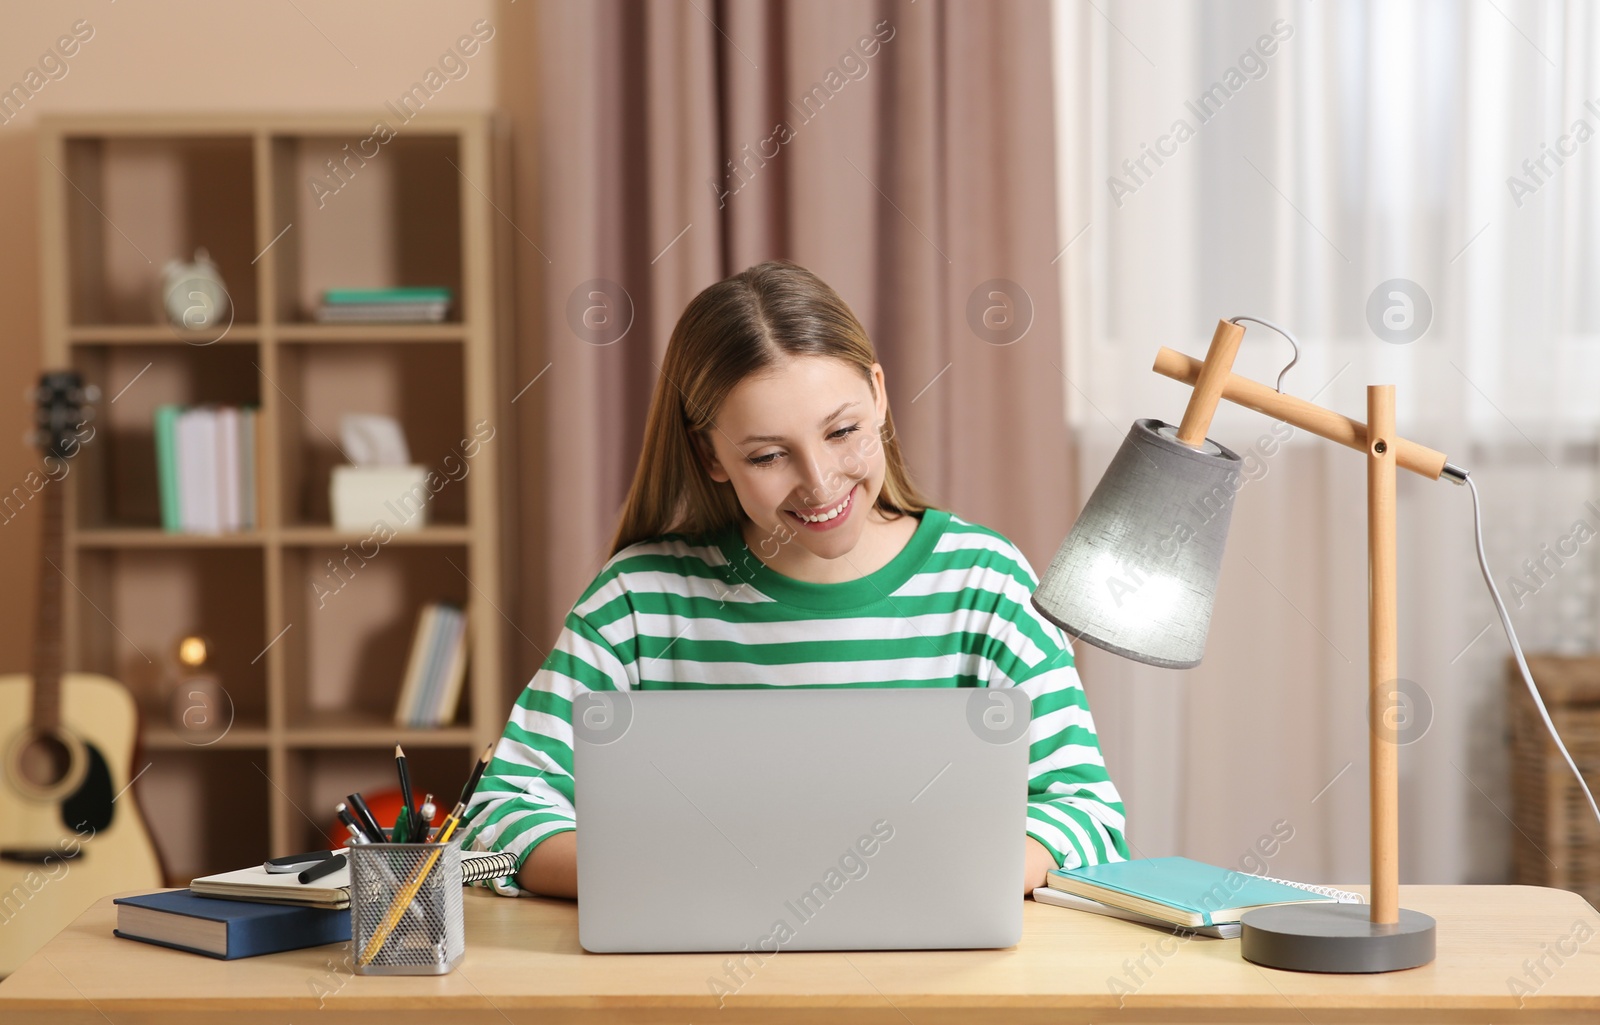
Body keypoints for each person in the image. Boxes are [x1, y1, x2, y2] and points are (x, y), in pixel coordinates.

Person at [458, 260, 1128, 900]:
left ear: (880, 396)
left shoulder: (984, 581)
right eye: (770, 455)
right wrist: (671, 876)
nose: (820, 482)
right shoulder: (639, 601)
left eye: (842, 430)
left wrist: (955, 877)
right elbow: (499, 810)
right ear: (709, 455)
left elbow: (1087, 814)